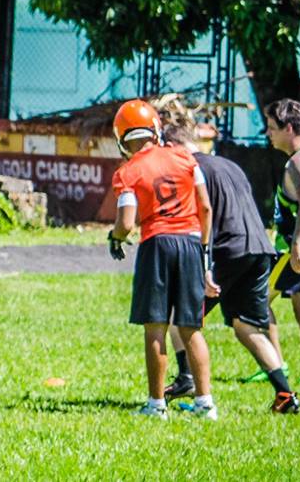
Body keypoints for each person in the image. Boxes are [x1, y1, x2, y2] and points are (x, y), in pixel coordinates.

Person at [160, 117, 300, 413]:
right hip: (259, 249)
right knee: (246, 326)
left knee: (179, 317)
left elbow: (204, 216)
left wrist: (205, 265)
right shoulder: (229, 165)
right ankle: (286, 395)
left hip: (227, 251)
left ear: (173, 147)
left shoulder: (190, 169)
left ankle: (188, 380)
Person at [107, 99, 218, 420]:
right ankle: (205, 402)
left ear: (121, 138)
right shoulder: (184, 156)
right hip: (191, 242)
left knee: (155, 326)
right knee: (191, 327)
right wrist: (203, 250)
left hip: (156, 243)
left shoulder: (127, 172)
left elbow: (126, 223)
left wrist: (115, 237)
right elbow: (206, 207)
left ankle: (156, 405)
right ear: (155, 129)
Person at [252, 99, 300, 386]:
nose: (268, 134)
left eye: (272, 128)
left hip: (299, 244)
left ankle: (275, 364)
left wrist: (296, 244)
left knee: (258, 298)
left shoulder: (298, 161)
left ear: (288, 128)